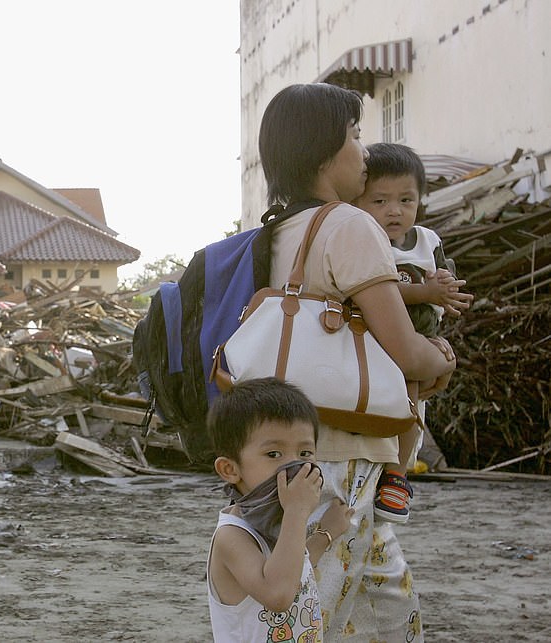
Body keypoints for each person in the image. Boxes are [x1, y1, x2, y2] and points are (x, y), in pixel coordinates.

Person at [256, 83, 457, 642]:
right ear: (325, 151)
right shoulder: (349, 225)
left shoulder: (278, 230)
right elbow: (406, 349)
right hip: (343, 458)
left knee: (381, 610)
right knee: (316, 618)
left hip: (295, 452)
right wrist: (441, 357)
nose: (364, 154)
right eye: (356, 136)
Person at [354, 142, 473, 523]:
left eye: (406, 200)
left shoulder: (427, 241)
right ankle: (393, 476)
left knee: (413, 410)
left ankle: (397, 478)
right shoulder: (363, 240)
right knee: (404, 405)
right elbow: (377, 290)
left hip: (419, 341)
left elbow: (443, 277)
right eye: (380, 201)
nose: (394, 211)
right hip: (379, 342)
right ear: (359, 201)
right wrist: (426, 291)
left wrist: (447, 289)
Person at [206, 377, 353, 643]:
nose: (294, 465)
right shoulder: (232, 536)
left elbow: (296, 564)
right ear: (230, 469)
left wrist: (326, 534)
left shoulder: (276, 519)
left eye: (306, 453)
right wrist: (297, 511)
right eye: (274, 454)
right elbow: (278, 594)